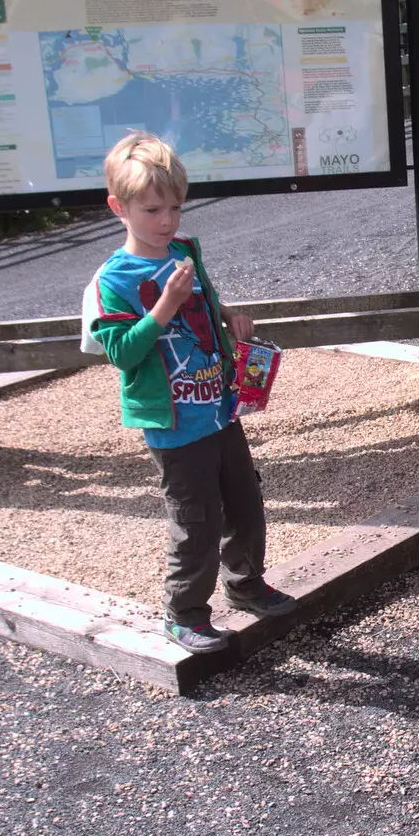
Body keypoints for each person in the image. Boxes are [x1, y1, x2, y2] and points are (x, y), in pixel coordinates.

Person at [82, 132, 297, 653]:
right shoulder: (114, 279)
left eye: (175, 207)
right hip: (173, 423)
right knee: (196, 519)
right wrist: (163, 308)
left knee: (245, 502)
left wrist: (229, 319)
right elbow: (121, 352)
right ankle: (184, 614)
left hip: (218, 407)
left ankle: (245, 584)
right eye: (152, 209)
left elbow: (207, 299)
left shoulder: (183, 252)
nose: (167, 221)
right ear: (119, 207)